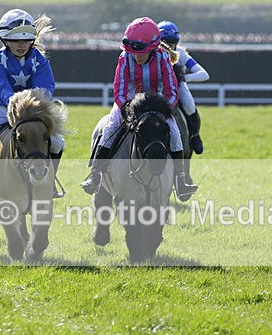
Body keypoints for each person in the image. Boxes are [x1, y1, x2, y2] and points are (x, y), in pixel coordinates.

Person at [80, 17, 198, 199]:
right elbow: (119, 87)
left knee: (174, 132)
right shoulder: (125, 57)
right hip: (129, 103)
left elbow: (171, 89)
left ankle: (181, 180)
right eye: (133, 52)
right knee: (110, 127)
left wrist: (166, 108)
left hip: (157, 104)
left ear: (152, 48)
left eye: (141, 52)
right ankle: (96, 173)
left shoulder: (163, 57)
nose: (136, 56)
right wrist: (125, 107)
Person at [0, 9, 63, 212]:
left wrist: (32, 105)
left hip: (32, 113)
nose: (21, 45)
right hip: (0, 110)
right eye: (15, 40)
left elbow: (46, 88)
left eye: (26, 41)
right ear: (4, 40)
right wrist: (14, 103)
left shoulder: (40, 61)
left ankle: (48, 184)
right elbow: (1, 87)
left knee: (58, 142)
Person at [157, 20, 209, 153]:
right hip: (157, 85)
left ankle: (195, 136)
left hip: (177, 85)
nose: (168, 48)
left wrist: (183, 78)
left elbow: (204, 74)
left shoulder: (181, 53)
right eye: (164, 44)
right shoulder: (151, 53)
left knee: (189, 105)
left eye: (171, 44)